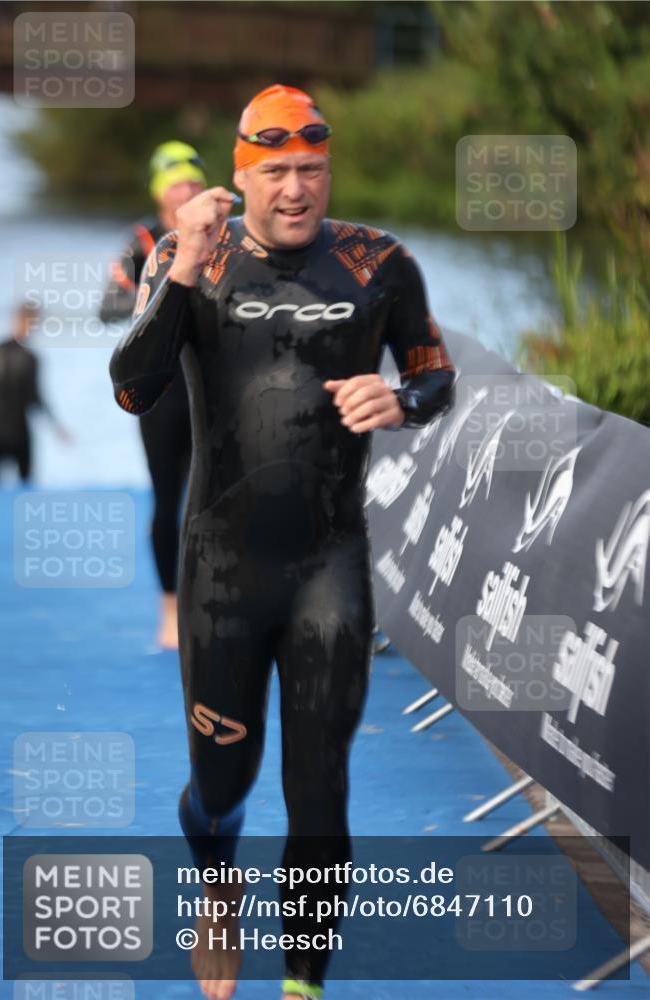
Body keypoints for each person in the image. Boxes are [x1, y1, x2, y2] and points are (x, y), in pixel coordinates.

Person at [110, 84, 454, 1000]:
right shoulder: (198, 259)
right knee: (218, 788)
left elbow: (433, 375)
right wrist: (179, 269)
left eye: (311, 169)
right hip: (220, 573)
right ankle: (217, 882)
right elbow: (132, 389)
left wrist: (403, 401)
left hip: (327, 569)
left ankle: (303, 984)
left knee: (319, 789)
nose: (295, 189)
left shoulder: (379, 262)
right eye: (275, 172)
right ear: (241, 175)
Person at [100, 141, 207, 648]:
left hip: (214, 383)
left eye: (193, 182)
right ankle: (169, 609)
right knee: (168, 499)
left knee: (217, 500)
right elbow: (108, 306)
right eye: (176, 184)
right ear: (160, 192)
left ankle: (215, 602)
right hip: (161, 390)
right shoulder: (141, 240)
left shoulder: (222, 235)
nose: (186, 191)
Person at [0, 302, 69, 482]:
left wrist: (55, 425)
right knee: (0, 489)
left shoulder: (24, 357)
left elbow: (35, 397)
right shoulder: (0, 354)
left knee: (19, 489)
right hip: (2, 432)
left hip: (12, 431)